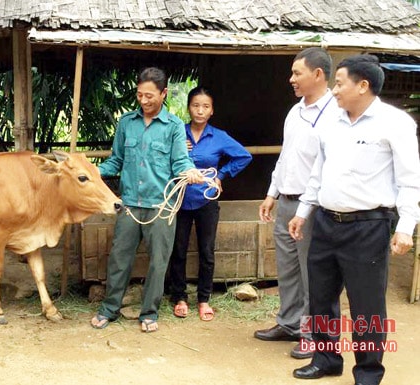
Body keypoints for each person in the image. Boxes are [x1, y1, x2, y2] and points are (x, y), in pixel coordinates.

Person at [289, 54, 420, 385]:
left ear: (363, 86)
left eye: (339, 83)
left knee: (366, 305)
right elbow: (318, 172)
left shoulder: (395, 122)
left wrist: (406, 227)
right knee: (321, 298)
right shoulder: (330, 123)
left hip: (368, 226)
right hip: (326, 223)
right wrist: (304, 211)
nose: (334, 90)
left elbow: (409, 179)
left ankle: (368, 372)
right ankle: (326, 358)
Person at [90, 67, 204, 333]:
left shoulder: (174, 126)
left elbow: (180, 161)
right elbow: (116, 160)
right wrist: (92, 172)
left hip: (161, 208)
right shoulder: (126, 123)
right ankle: (110, 309)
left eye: (150, 96)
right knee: (119, 258)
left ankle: (149, 313)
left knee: (158, 262)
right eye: (140, 95)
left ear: (164, 93)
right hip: (129, 204)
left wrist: (189, 172)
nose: (144, 101)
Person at [254, 47, 340, 359]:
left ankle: (313, 334)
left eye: (297, 73)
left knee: (312, 272)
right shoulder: (295, 111)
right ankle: (289, 323)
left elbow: (326, 166)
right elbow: (286, 157)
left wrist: (306, 206)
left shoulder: (335, 113)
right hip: (287, 202)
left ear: (318, 74)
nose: (291, 79)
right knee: (287, 268)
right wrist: (271, 193)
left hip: (313, 207)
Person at [168, 86, 252, 321]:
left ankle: (204, 299)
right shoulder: (177, 133)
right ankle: (179, 297)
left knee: (207, 251)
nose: (200, 110)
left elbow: (244, 156)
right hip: (180, 199)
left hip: (206, 200)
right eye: (195, 105)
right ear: (188, 108)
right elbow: (163, 157)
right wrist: (176, 149)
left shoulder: (219, 136)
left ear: (212, 110)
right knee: (178, 249)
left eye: (205, 106)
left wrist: (220, 176)